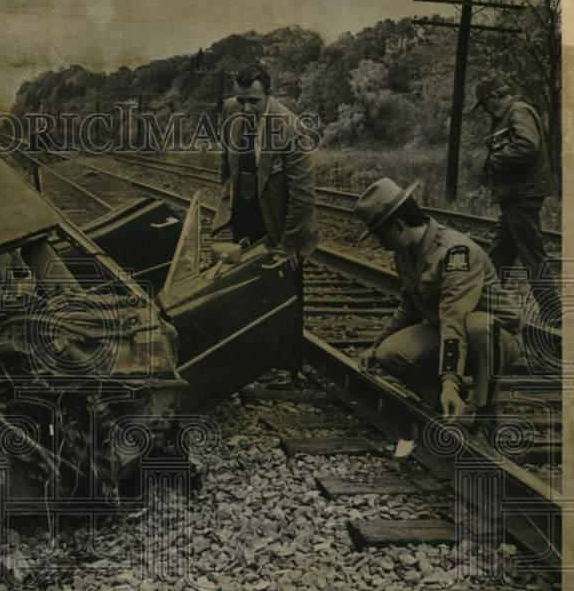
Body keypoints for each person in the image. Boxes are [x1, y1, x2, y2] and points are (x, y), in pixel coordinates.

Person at [356, 178, 523, 425]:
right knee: (389, 354)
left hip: (494, 339)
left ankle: (486, 408)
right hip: (448, 330)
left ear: (399, 226)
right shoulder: (405, 253)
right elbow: (410, 306)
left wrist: (449, 380)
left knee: (477, 325)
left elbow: (454, 319)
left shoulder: (456, 253)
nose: (381, 244)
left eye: (381, 235)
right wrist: (376, 345)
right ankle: (447, 402)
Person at [472, 74, 558, 324]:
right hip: (515, 194)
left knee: (532, 254)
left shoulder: (518, 111)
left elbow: (526, 147)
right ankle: (481, 302)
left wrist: (490, 161)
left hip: (523, 194)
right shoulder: (509, 115)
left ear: (492, 97)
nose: (486, 111)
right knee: (500, 253)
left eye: (485, 105)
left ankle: (554, 313)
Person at [212, 64, 317, 266]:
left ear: (269, 95)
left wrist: (287, 245)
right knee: (241, 279)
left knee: (278, 285)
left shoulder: (292, 129)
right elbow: (225, 155)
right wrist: (228, 197)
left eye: (253, 101)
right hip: (244, 211)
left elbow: (302, 196)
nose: (246, 108)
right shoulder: (230, 108)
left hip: (280, 221)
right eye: (241, 100)